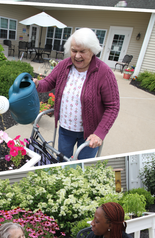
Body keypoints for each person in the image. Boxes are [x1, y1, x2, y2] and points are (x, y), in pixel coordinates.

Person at [33, 28, 120, 160]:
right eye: (74, 51)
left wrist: (100, 133)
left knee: (82, 167)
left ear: (92, 51)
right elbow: (48, 83)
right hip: (65, 129)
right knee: (62, 162)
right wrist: (37, 84)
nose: (77, 56)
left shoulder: (104, 72)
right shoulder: (63, 66)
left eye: (82, 51)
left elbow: (113, 106)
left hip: (90, 134)